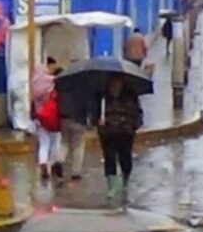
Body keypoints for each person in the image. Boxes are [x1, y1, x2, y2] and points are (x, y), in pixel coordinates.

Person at [97, 74, 143, 207]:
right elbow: (95, 111)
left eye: (118, 81)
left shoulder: (130, 95)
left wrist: (132, 125)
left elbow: (137, 113)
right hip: (108, 132)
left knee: (125, 157)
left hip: (125, 132)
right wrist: (98, 121)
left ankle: (125, 181)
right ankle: (111, 186)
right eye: (113, 81)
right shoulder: (102, 95)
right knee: (109, 157)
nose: (116, 84)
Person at [57, 66, 94, 181]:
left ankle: (59, 160)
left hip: (64, 117)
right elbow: (89, 105)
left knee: (64, 142)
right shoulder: (84, 89)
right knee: (78, 145)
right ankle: (76, 171)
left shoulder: (63, 85)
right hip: (79, 118)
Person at [31, 57, 61, 180]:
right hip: (53, 116)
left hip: (40, 117)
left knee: (44, 143)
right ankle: (53, 164)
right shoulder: (52, 82)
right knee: (55, 141)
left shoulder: (34, 84)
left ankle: (43, 163)